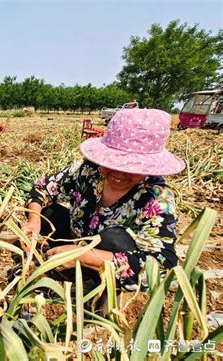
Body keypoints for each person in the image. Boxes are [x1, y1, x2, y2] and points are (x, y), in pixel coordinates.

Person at [23, 109, 185, 292]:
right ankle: (56, 272)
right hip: (73, 243)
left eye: (130, 168)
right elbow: (43, 188)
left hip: (110, 267)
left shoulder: (157, 199)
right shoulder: (89, 171)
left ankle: (99, 296)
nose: (117, 174)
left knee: (113, 238)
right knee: (48, 214)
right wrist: (34, 221)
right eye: (111, 165)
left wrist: (84, 257)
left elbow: (163, 265)